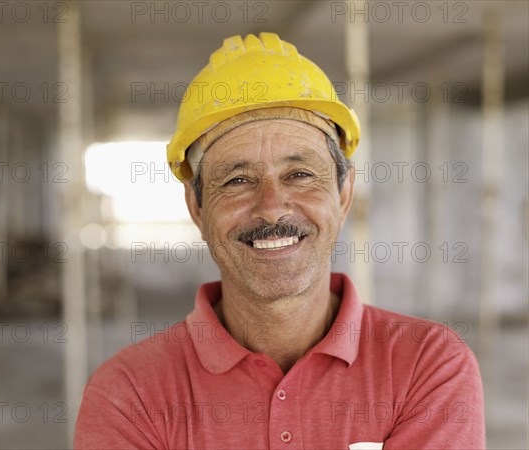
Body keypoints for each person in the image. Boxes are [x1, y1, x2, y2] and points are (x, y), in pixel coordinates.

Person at [75, 32, 485, 449]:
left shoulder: (428, 364)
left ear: (343, 195)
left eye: (300, 175)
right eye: (237, 180)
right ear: (197, 209)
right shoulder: (129, 395)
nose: (271, 208)